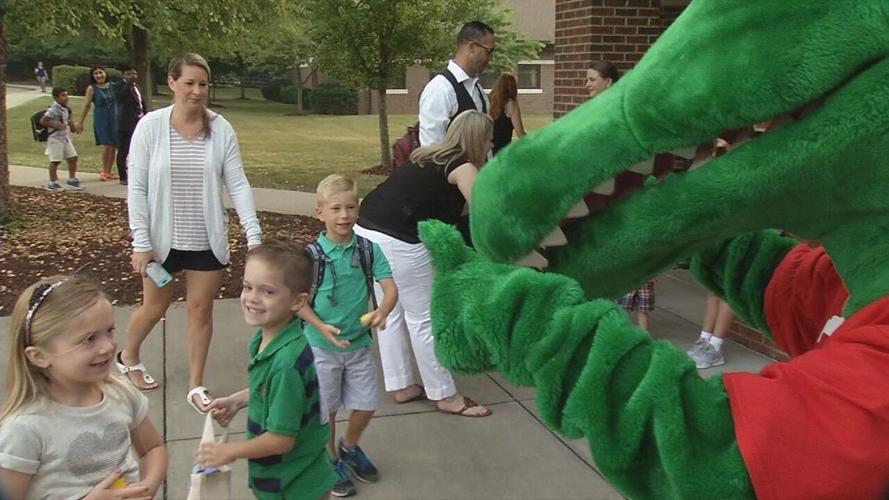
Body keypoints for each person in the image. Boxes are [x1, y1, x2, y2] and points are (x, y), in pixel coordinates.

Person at [121, 53, 262, 415]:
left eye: (203, 84)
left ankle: (195, 385)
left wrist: (254, 237)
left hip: (205, 239)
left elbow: (239, 184)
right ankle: (128, 356)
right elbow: (136, 188)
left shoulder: (221, 129)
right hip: (160, 241)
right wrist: (141, 242)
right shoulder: (151, 127)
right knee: (155, 306)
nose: (197, 91)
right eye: (189, 83)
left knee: (201, 311)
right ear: (171, 82)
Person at [355, 110, 494, 417]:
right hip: (398, 238)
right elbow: (485, 209)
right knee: (423, 318)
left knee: (389, 313)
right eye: (488, 138)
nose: (490, 144)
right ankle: (445, 395)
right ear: (478, 138)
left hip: (365, 229)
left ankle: (402, 385)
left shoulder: (427, 156)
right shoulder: (463, 165)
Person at [0, 277, 168, 499]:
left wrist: (146, 486)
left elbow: (152, 449)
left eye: (109, 330)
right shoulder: (26, 428)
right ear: (39, 356)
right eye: (89, 339)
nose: (108, 346)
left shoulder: (121, 393)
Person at [197, 241, 336, 499]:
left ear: (298, 301)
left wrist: (230, 451)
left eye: (267, 292)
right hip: (287, 478)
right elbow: (269, 390)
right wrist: (237, 401)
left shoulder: (286, 363)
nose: (251, 298)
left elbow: (282, 439)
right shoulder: (268, 340)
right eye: (248, 287)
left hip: (295, 486)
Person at [298, 174, 398, 497]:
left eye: (350, 207)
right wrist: (319, 325)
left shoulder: (368, 250)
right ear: (320, 213)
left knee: (367, 404)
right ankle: (329, 460)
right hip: (320, 346)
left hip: (358, 345)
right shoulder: (310, 256)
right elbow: (296, 302)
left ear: (358, 210)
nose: (344, 215)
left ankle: (349, 446)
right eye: (336, 208)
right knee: (326, 411)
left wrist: (383, 310)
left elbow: (390, 288)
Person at [418, 21, 494, 147]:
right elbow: (432, 151)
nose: (490, 58)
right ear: (472, 48)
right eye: (489, 51)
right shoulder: (440, 89)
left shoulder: (479, 91)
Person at [77, 66, 118, 181]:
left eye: (101, 72)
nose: (99, 75)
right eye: (96, 73)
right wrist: (80, 122)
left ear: (105, 73)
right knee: (107, 143)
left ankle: (109, 171)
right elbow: (86, 105)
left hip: (114, 118)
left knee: (114, 144)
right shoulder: (92, 88)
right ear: (92, 76)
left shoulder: (113, 86)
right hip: (102, 118)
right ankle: (104, 171)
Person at [39, 87, 83, 192]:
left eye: (66, 95)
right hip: (55, 138)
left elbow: (69, 121)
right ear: (56, 97)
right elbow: (43, 121)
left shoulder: (66, 108)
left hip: (65, 138)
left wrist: (74, 127)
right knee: (55, 160)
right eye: (63, 95)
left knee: (73, 157)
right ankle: (52, 182)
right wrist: (57, 125)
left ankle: (72, 180)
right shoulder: (54, 109)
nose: (66, 97)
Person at [113, 65, 147, 185]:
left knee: (137, 149)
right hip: (125, 124)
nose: (132, 77)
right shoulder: (118, 86)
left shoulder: (137, 87)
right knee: (123, 150)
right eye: (129, 74)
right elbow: (121, 97)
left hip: (138, 121)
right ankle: (123, 176)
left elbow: (141, 103)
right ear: (123, 75)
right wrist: (128, 84)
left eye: (134, 74)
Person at [489, 73, 526, 155]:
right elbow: (520, 133)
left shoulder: (488, 101)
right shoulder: (510, 104)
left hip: (487, 149)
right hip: (502, 150)